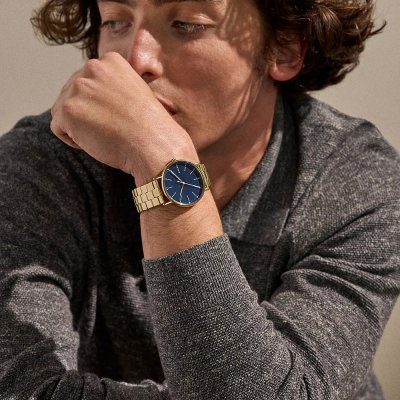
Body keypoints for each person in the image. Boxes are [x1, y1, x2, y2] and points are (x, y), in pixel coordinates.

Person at [0, 0, 399, 398]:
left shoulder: (357, 181)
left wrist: (163, 166)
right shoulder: (35, 167)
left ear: (286, 47)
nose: (136, 61)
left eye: (187, 24)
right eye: (116, 21)